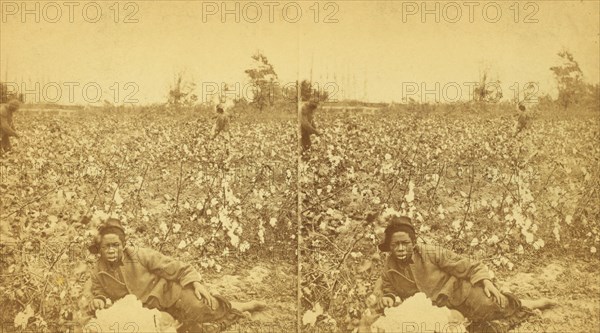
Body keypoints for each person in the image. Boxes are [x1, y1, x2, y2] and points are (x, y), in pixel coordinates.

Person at [363, 216, 555, 333]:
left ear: (413, 243)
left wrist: (486, 281)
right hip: (438, 310)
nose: (401, 248)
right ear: (389, 247)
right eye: (395, 245)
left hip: (462, 294)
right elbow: (389, 289)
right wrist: (388, 297)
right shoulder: (389, 267)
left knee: (495, 306)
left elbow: (468, 265)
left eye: (405, 243)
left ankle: (529, 304)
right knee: (470, 329)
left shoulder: (431, 253)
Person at [89, 219, 264, 333]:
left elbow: (175, 267)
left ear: (123, 245)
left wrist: (196, 283)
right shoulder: (99, 271)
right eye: (106, 247)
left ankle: (240, 306)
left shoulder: (140, 255)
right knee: (192, 329)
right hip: (149, 310)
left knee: (205, 308)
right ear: (100, 249)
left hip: (172, 295)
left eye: (116, 245)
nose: (111, 250)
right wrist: (100, 300)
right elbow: (99, 294)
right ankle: (233, 316)